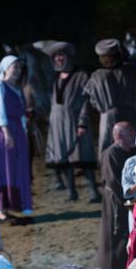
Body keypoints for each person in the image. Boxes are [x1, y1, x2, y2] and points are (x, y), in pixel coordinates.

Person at [44, 41, 100, 203]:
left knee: (82, 154)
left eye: (62, 55)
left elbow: (86, 101)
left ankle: (93, 192)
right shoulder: (55, 78)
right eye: (56, 56)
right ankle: (71, 191)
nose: (59, 58)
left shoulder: (80, 75)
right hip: (57, 122)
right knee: (62, 157)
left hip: (74, 120)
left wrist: (82, 122)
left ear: (68, 56)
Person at [77, 38, 136, 155]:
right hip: (132, 115)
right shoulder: (131, 71)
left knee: (111, 152)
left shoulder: (96, 78)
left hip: (109, 120)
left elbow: (92, 101)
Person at [0, 55, 32, 219]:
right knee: (1, 166)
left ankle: (16, 203)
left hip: (17, 130)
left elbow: (21, 114)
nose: (18, 71)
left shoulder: (17, 88)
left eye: (20, 68)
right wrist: (7, 133)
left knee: (17, 166)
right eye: (15, 67)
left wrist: (24, 131)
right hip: (1, 130)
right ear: (5, 68)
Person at [98, 121, 136, 269]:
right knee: (116, 236)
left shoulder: (130, 152)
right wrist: (130, 198)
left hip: (127, 200)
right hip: (116, 202)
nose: (134, 136)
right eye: (130, 133)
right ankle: (114, 268)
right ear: (120, 136)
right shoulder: (111, 154)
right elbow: (114, 181)